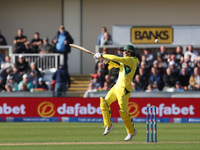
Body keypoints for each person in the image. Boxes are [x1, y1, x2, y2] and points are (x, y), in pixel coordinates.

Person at [93, 45, 138, 141]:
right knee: (104, 102)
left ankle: (131, 132)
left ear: (129, 52)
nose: (123, 53)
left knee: (123, 112)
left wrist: (102, 55)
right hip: (117, 86)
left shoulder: (131, 60)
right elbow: (116, 63)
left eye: (124, 51)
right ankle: (108, 126)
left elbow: (116, 58)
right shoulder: (125, 61)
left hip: (124, 89)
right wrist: (104, 60)